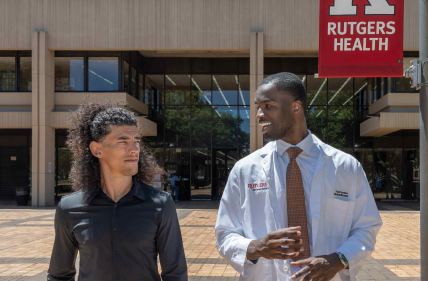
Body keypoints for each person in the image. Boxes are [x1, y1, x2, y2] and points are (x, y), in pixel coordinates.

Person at [215, 72, 382, 281]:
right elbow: (224, 234)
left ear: (296, 107)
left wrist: (339, 259)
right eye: (258, 107)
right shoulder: (245, 169)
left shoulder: (346, 167)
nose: (259, 114)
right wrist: (257, 247)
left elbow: (366, 227)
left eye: (268, 106)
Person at [47, 102, 187, 281]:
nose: (134, 149)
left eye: (136, 141)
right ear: (97, 149)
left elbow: (176, 275)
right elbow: (59, 275)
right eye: (123, 141)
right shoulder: (69, 208)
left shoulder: (161, 205)